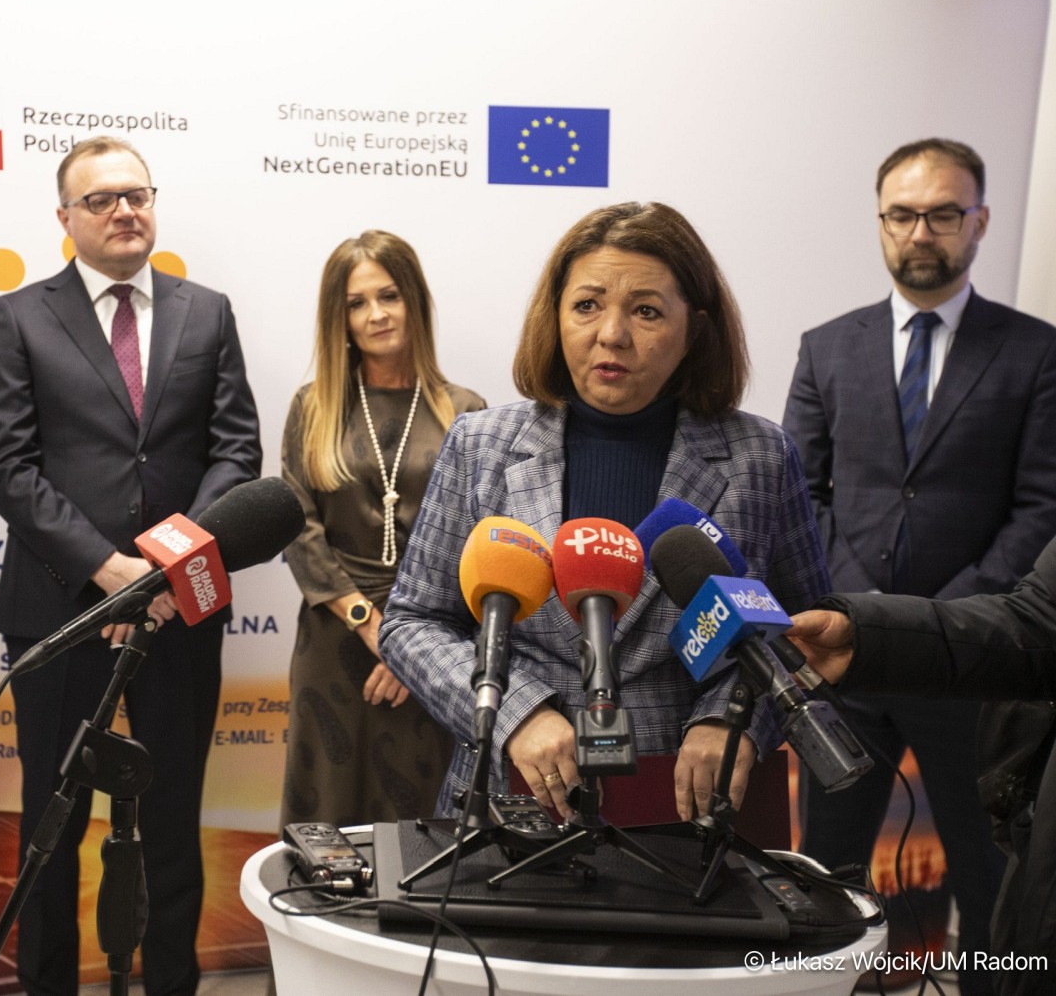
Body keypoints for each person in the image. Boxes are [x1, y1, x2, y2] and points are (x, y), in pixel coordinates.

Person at [379, 201, 828, 828]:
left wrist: (735, 721)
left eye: (646, 311)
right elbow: (412, 622)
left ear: (695, 328)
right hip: (514, 801)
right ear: (555, 314)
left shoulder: (760, 456)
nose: (611, 334)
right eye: (587, 305)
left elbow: (805, 634)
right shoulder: (481, 444)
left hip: (689, 806)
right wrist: (516, 714)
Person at [0, 136, 261, 996]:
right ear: (65, 218)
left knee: (172, 821)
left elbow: (236, 451)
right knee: (52, 827)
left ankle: (173, 984)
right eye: (100, 199)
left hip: (180, 611)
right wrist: (108, 569)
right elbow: (8, 468)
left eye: (137, 194)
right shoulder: (20, 316)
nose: (124, 210)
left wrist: (167, 569)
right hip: (61, 609)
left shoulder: (207, 312)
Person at [782, 138, 1056, 993]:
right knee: (824, 879)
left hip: (972, 666)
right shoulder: (827, 346)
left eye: (942, 213)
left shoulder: (1036, 352)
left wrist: (941, 620)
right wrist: (859, 605)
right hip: (847, 659)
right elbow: (798, 493)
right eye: (902, 214)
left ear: (980, 221)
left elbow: (1042, 505)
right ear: (880, 222)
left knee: (986, 877)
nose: (920, 232)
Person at [278, 231, 486, 829]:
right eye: (357, 303)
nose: (376, 315)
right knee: (329, 808)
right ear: (339, 318)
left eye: (389, 295)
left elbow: (478, 542)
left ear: (414, 300)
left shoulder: (466, 412)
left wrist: (413, 648)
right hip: (334, 639)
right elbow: (298, 527)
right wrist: (371, 625)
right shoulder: (313, 406)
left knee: (423, 815)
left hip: (437, 639)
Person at [786, 538, 1056, 996]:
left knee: (979, 874)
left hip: (959, 685)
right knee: (826, 868)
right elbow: (1035, 621)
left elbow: (1034, 511)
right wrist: (868, 633)